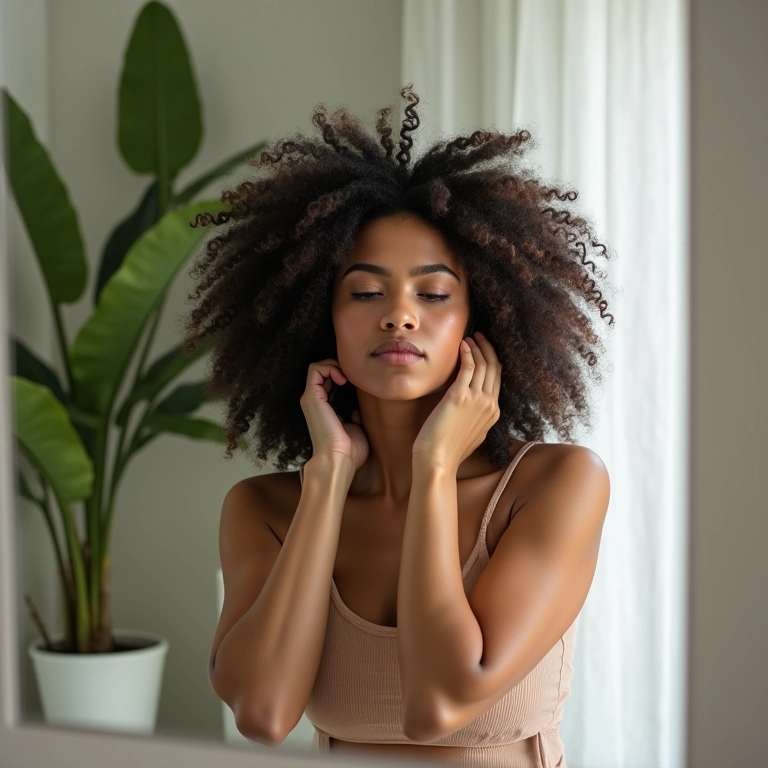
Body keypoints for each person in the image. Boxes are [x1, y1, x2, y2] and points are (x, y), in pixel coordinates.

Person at [185, 85, 613, 767]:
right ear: (317, 317)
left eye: (434, 292)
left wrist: (436, 467)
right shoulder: (264, 510)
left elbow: (439, 702)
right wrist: (325, 480)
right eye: (365, 290)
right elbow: (264, 715)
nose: (400, 314)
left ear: (482, 321)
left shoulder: (556, 485)